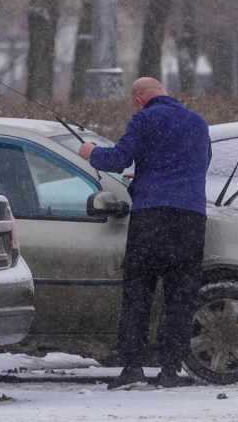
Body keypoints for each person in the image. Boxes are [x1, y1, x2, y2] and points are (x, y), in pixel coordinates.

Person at [79, 77, 211, 389]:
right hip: (190, 218)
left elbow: (118, 159)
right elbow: (200, 164)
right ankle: (170, 370)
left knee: (139, 293)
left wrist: (90, 151)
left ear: (139, 100)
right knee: (180, 295)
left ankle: (133, 366)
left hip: (151, 217)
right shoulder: (198, 122)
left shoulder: (144, 118)